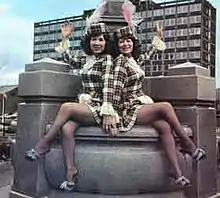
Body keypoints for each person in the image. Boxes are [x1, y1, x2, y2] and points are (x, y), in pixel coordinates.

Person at [25, 21, 117, 191]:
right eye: (94, 40)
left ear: (106, 42)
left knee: (67, 107)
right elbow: (69, 59)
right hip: (86, 105)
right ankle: (70, 172)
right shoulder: (87, 60)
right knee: (66, 129)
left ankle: (44, 143)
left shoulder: (108, 60)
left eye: (101, 40)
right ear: (88, 42)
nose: (97, 43)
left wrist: (108, 111)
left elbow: (109, 86)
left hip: (100, 106)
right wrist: (65, 38)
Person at [111, 25, 206, 187]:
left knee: (164, 127)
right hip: (129, 108)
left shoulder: (132, 60)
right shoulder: (120, 62)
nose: (125, 44)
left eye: (128, 41)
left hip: (140, 104)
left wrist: (158, 38)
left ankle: (176, 173)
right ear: (117, 45)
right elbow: (115, 90)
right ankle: (187, 144)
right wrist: (112, 114)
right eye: (121, 42)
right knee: (166, 107)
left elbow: (147, 56)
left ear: (133, 43)